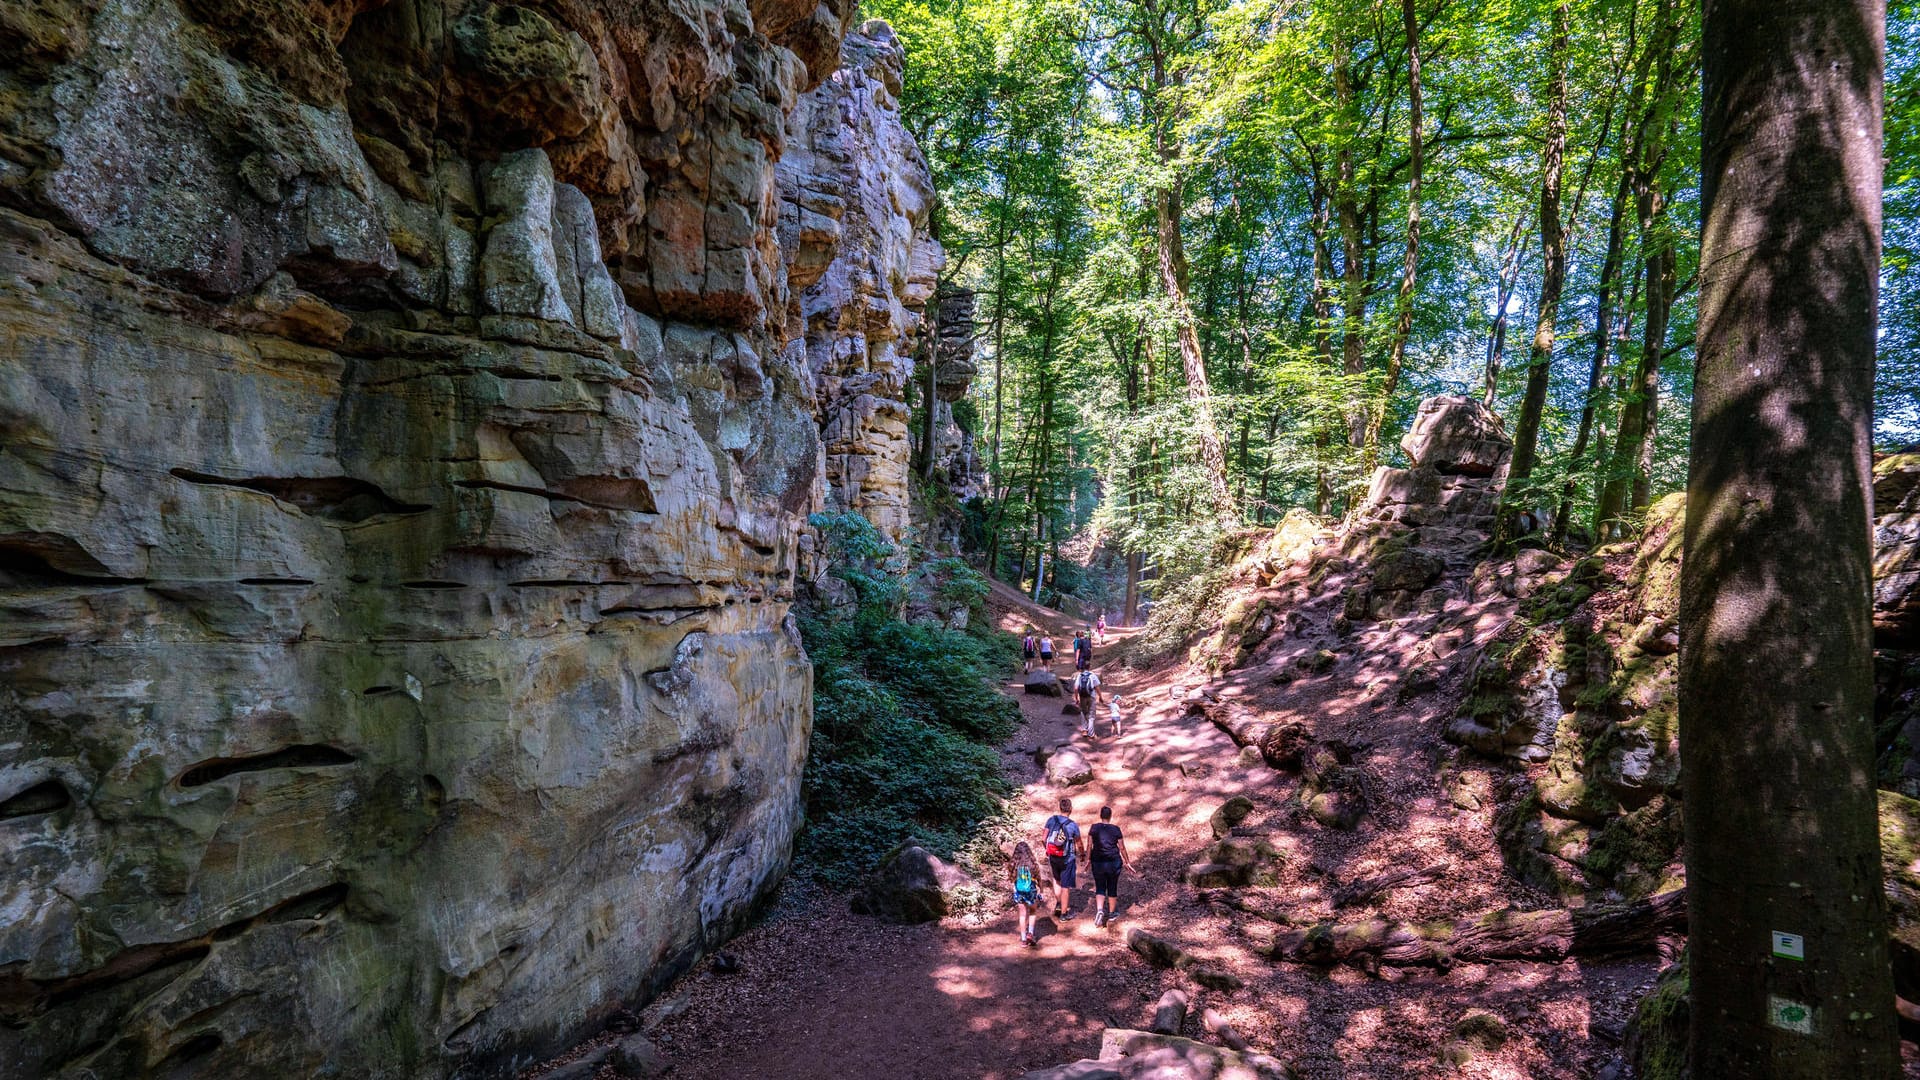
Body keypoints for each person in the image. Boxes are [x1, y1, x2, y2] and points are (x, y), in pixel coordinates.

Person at [1087, 806, 1132, 929]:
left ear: (1100, 815)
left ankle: (1100, 910)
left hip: (1098, 862)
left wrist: (1088, 859)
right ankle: (1112, 913)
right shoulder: (1116, 829)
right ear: (1110, 816)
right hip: (1113, 862)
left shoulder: (1094, 828)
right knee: (1112, 886)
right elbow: (1122, 847)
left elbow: (1089, 845)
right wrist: (1127, 862)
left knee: (1100, 887)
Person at [1042, 798, 1086, 920]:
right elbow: (1079, 843)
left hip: (1053, 856)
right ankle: (1064, 914)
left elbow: (1043, 838)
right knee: (1065, 886)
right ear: (1071, 809)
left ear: (1060, 808)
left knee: (1057, 881)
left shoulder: (1051, 820)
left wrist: (1048, 850)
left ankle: (1059, 904)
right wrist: (1082, 855)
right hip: (1067, 859)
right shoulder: (1073, 825)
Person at [1010, 841, 1043, 947]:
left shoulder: (1013, 865)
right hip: (1031, 891)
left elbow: (1012, 879)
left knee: (1022, 915)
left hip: (1019, 892)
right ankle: (1030, 933)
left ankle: (1023, 940)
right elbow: (1038, 879)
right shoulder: (1032, 865)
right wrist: (1041, 890)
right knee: (1033, 911)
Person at [1073, 668, 1102, 736]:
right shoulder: (1093, 675)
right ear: (1089, 667)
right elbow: (1097, 687)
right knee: (1091, 715)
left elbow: (1076, 688)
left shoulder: (1080, 675)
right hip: (1091, 697)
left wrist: (1076, 698)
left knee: (1083, 712)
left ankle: (1084, 730)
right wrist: (1100, 696)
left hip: (1082, 697)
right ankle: (1091, 733)